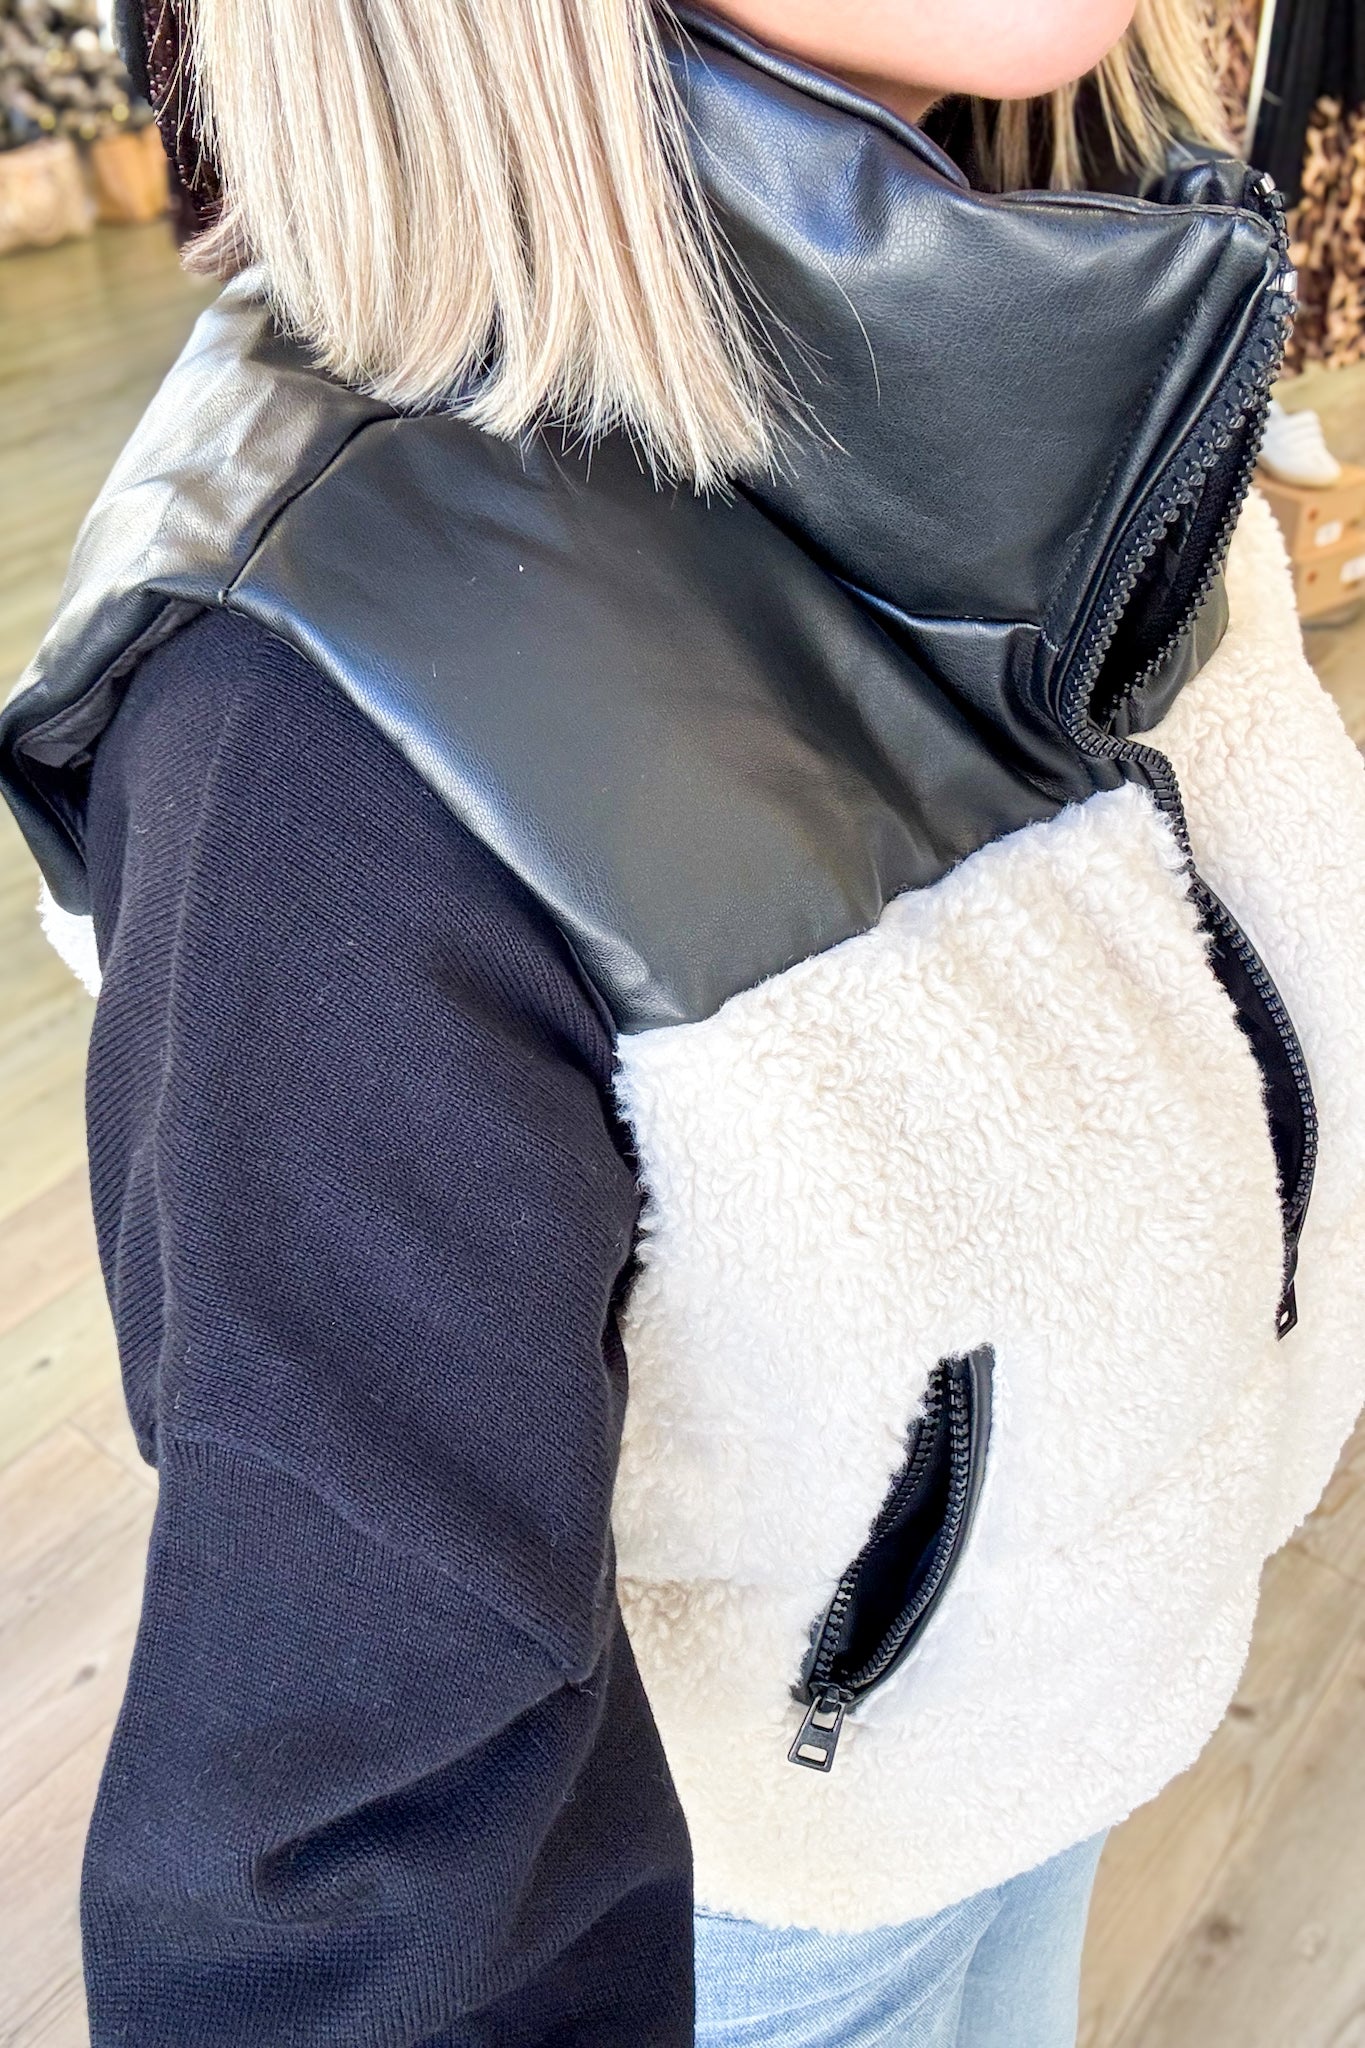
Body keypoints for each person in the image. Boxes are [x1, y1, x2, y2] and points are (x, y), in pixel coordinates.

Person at [3, 0, 1365, 2042]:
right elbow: (344, 1872)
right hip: (780, 1917)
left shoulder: (1090, 332)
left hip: (1060, 1734)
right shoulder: (330, 732)